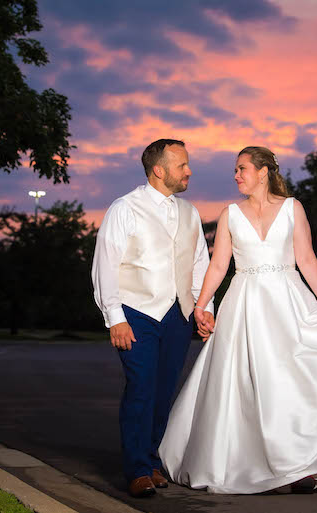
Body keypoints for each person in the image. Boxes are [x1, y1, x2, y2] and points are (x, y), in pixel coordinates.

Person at [159, 146, 317, 494]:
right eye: (235, 171)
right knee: (250, 384)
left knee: (291, 380)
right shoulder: (230, 214)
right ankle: (252, 463)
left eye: (242, 169)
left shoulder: (292, 208)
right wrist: (202, 304)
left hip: (288, 301)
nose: (236, 176)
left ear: (264, 171)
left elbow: (307, 258)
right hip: (245, 304)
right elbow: (220, 265)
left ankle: (306, 467)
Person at [91, 138, 214, 498]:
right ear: (159, 170)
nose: (189, 171)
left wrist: (202, 309)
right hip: (136, 313)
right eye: (182, 166)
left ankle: (152, 460)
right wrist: (115, 317)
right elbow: (105, 266)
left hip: (178, 315)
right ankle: (137, 469)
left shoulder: (190, 212)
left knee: (164, 392)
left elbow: (198, 264)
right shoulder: (124, 208)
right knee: (141, 388)